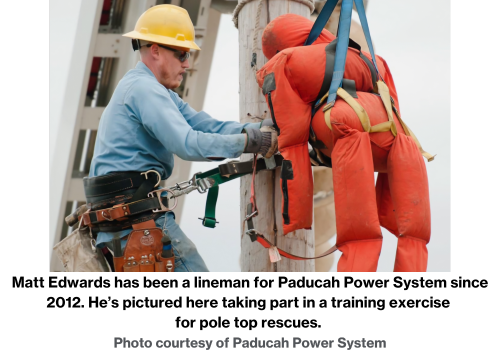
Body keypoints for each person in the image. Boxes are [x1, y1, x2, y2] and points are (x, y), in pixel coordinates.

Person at [86, 4, 277, 272]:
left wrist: (257, 129)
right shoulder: (144, 90)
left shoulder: (153, 91)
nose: (187, 63)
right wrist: (253, 143)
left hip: (126, 225)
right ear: (155, 50)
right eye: (182, 53)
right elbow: (188, 144)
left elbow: (206, 125)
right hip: (134, 223)